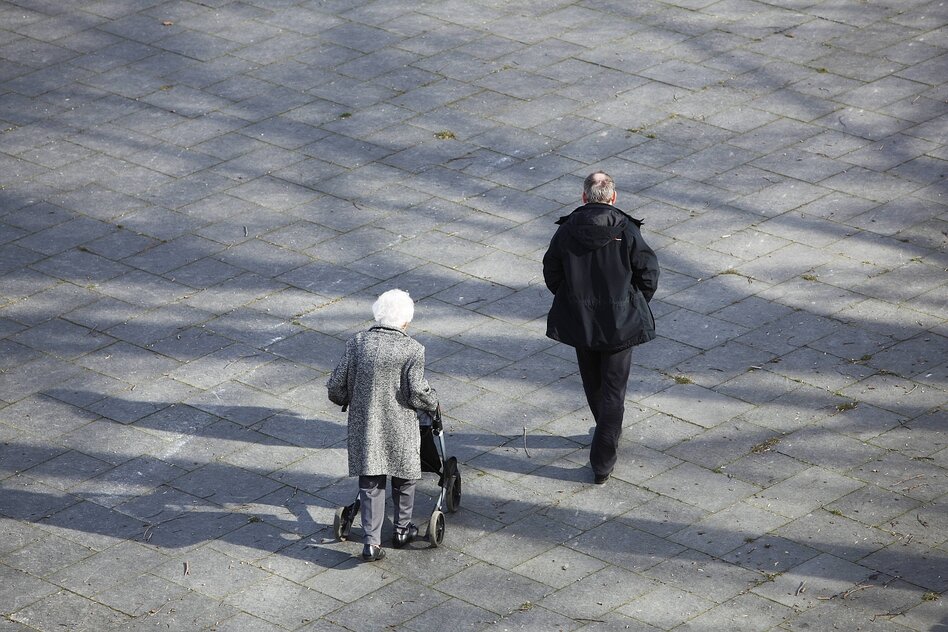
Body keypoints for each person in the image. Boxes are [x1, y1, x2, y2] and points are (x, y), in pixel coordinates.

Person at [542, 171, 660, 485]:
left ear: (584, 197)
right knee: (613, 392)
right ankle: (602, 460)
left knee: (593, 383)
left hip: (581, 322)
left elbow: (552, 271)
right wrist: (633, 303)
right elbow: (648, 273)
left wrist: (572, 300)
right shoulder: (627, 230)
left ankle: (606, 431)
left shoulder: (566, 231)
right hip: (620, 325)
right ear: (613, 197)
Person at [327, 289, 439, 561]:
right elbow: (416, 392)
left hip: (366, 424)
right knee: (404, 475)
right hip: (400, 424)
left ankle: (371, 543)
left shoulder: (357, 343)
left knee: (371, 478)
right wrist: (432, 402)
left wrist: (346, 399)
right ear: (406, 321)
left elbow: (336, 386)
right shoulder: (413, 349)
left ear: (378, 314)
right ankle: (402, 530)